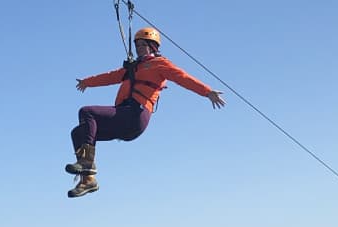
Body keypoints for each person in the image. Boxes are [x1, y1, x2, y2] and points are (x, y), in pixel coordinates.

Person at [67, 26, 224, 197]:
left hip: (136, 115)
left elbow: (183, 78)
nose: (139, 48)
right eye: (137, 45)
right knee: (78, 133)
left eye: (143, 45)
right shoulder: (132, 68)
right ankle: (88, 180)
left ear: (153, 46)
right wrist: (87, 82)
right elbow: (110, 76)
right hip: (123, 116)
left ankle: (87, 163)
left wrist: (207, 92)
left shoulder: (160, 64)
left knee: (87, 111)